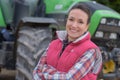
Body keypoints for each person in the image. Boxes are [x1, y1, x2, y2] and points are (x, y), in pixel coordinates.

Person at [33, 3, 102, 80]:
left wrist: (45, 72)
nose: (74, 25)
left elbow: (69, 78)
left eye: (80, 22)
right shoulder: (53, 44)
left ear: (87, 26)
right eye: (71, 19)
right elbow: (37, 70)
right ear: (66, 20)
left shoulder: (91, 50)